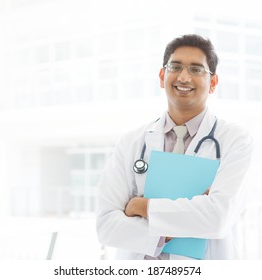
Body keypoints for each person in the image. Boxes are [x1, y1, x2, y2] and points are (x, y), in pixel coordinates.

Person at [96, 34, 253, 260]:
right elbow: (106, 225)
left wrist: (142, 207)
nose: (184, 77)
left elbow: (217, 217)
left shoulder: (235, 140)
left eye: (197, 69)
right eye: (175, 67)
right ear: (162, 76)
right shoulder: (132, 142)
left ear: (213, 82)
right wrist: (173, 229)